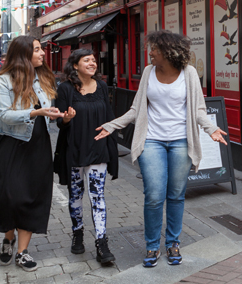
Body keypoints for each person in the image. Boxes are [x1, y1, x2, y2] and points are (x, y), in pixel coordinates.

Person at [96, 30, 227, 268]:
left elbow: (198, 109)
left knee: (176, 195)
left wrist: (211, 129)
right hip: (152, 140)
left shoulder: (189, 73)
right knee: (154, 196)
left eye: (154, 49)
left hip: (181, 142)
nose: (150, 53)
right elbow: (136, 109)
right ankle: (152, 245)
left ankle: (173, 243)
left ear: (168, 51)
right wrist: (112, 125)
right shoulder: (148, 72)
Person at [0, 36, 62, 272]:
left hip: (38, 146)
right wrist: (35, 112)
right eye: (37, 49)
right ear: (24, 53)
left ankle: (22, 251)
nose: (43, 53)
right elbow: (4, 115)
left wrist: (60, 116)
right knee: (9, 197)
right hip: (11, 145)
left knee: (32, 197)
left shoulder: (44, 78)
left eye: (41, 49)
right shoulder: (4, 80)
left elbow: (48, 112)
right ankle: (8, 237)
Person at [53, 49, 119, 265]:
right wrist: (66, 118)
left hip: (98, 149)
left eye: (94, 60)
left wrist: (111, 135)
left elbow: (109, 115)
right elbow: (60, 122)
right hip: (74, 150)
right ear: (75, 65)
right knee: (75, 195)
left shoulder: (101, 86)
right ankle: (78, 233)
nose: (92, 63)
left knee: (97, 195)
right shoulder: (65, 89)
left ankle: (102, 243)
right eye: (87, 60)